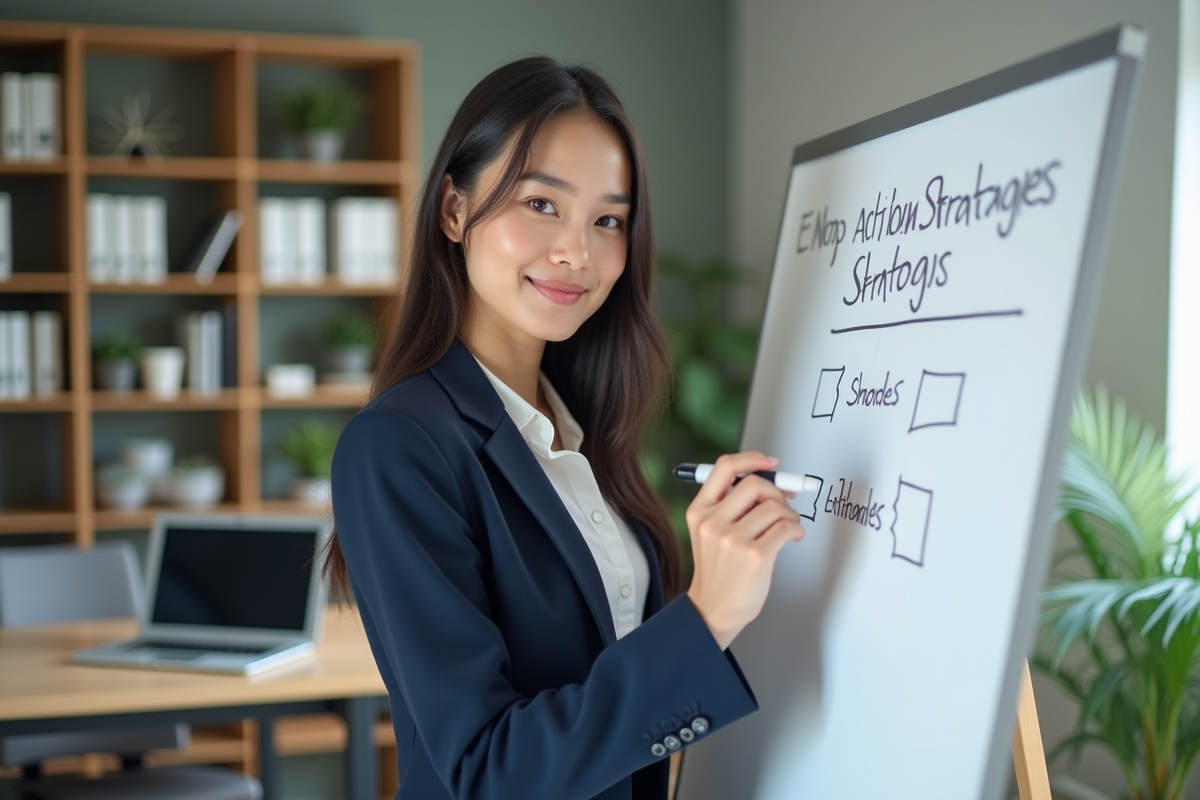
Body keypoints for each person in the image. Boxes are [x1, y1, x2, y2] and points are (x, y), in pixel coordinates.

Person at [327, 56, 805, 800]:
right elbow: (487, 772)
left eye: (607, 220)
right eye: (542, 205)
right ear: (453, 211)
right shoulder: (397, 447)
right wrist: (705, 616)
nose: (576, 253)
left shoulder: (588, 436)